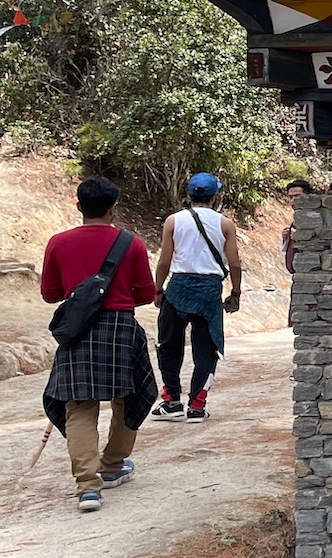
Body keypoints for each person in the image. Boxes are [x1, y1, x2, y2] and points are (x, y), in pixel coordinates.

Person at [39, 176, 158, 512]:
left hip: (77, 330)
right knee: (128, 399)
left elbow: (50, 294)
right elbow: (146, 294)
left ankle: (88, 488)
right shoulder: (130, 243)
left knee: (78, 405)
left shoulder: (58, 243)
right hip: (120, 327)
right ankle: (112, 465)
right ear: (112, 208)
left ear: (79, 206)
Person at [151, 172, 242, 423]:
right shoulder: (225, 224)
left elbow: (164, 261)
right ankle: (197, 405)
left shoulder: (173, 221)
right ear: (216, 196)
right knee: (206, 348)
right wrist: (235, 293)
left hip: (178, 288)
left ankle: (171, 402)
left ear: (188, 194)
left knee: (169, 345)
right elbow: (234, 263)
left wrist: (158, 289)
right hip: (209, 292)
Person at [281, 178, 313, 279]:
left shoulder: (315, 218)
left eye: (297, 196)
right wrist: (286, 238)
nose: (293, 200)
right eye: (290, 197)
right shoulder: (296, 220)